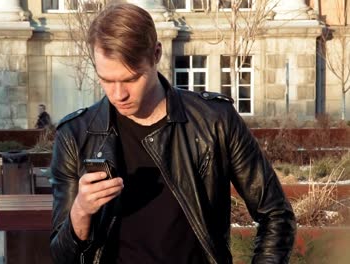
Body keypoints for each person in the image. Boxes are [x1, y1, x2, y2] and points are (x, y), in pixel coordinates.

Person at [50, 3, 296, 264]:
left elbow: (276, 215)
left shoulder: (215, 120)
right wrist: (80, 212)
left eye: (132, 79)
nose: (118, 94)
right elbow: (62, 255)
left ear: (156, 54)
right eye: (107, 80)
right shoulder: (75, 135)